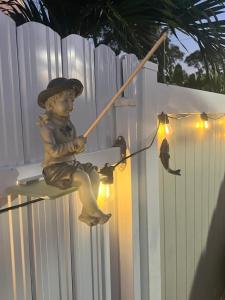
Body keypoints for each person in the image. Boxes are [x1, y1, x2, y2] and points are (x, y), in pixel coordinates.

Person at [37, 77, 111, 226]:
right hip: (54, 170)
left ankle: (85, 213)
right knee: (83, 177)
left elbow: (73, 149)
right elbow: (53, 151)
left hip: (71, 165)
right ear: (51, 103)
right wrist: (73, 144)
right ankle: (95, 210)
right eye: (66, 101)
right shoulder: (47, 126)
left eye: (72, 101)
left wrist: (79, 146)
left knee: (93, 174)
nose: (71, 106)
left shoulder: (68, 123)